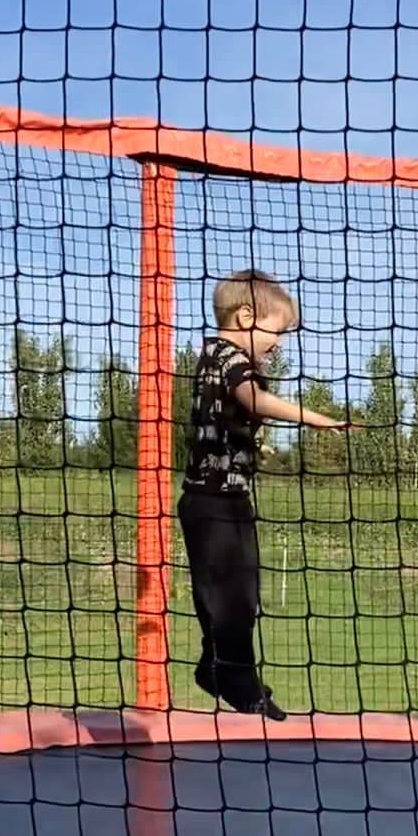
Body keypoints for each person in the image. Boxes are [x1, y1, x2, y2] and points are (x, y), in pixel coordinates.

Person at [179, 269, 345, 719]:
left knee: (242, 596)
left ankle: (218, 667)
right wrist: (313, 417)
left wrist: (253, 447)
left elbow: (231, 413)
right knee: (226, 597)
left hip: (229, 499)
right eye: (277, 331)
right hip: (209, 502)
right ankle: (233, 675)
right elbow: (252, 399)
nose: (279, 343)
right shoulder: (225, 354)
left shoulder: (224, 360)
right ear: (246, 317)